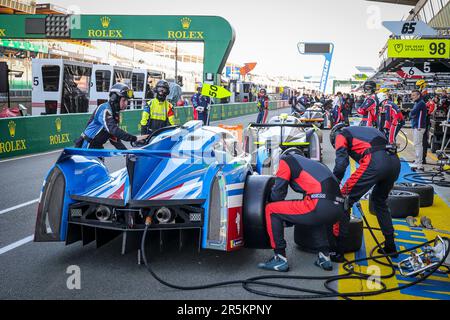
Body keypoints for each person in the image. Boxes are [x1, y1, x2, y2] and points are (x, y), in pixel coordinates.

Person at [258, 149, 346, 272]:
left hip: (319, 205)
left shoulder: (287, 160)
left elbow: (278, 194)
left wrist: (265, 200)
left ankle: (279, 258)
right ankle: (324, 257)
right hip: (338, 209)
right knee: (315, 215)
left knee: (271, 210)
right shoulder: (317, 166)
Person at [332, 126, 400, 256]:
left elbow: (341, 165)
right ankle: (391, 246)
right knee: (379, 201)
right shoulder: (369, 130)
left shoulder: (341, 135)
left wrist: (332, 184)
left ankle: (338, 250)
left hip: (376, 162)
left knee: (344, 200)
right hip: (395, 162)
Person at [74, 83, 138, 149]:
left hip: (97, 146)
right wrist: (134, 138)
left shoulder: (114, 113)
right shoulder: (105, 109)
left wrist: (126, 153)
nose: (126, 103)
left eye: (127, 100)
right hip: (87, 145)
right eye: (124, 100)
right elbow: (113, 130)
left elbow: (114, 139)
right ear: (115, 99)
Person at [410, 90, 427, 171]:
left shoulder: (420, 103)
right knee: (417, 145)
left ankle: (419, 164)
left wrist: (411, 114)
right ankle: (417, 161)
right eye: (412, 95)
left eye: (413, 95)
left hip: (419, 127)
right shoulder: (418, 103)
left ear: (418, 96)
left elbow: (412, 113)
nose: (412, 97)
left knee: (418, 145)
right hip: (417, 126)